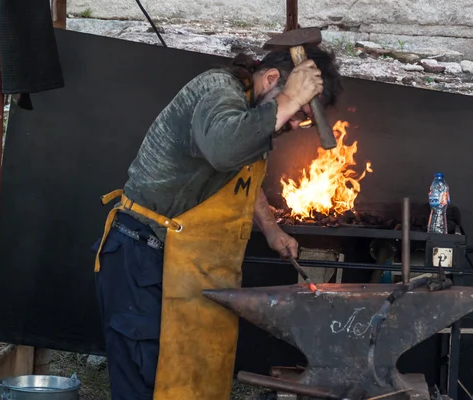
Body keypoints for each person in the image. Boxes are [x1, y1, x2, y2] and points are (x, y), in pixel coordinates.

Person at [92, 46, 343, 400]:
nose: (295, 123)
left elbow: (239, 174)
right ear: (272, 79)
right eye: (298, 112)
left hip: (189, 265)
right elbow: (225, 149)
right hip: (143, 256)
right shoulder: (217, 90)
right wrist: (286, 101)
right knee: (147, 383)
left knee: (191, 382)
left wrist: (271, 229)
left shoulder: (249, 112)